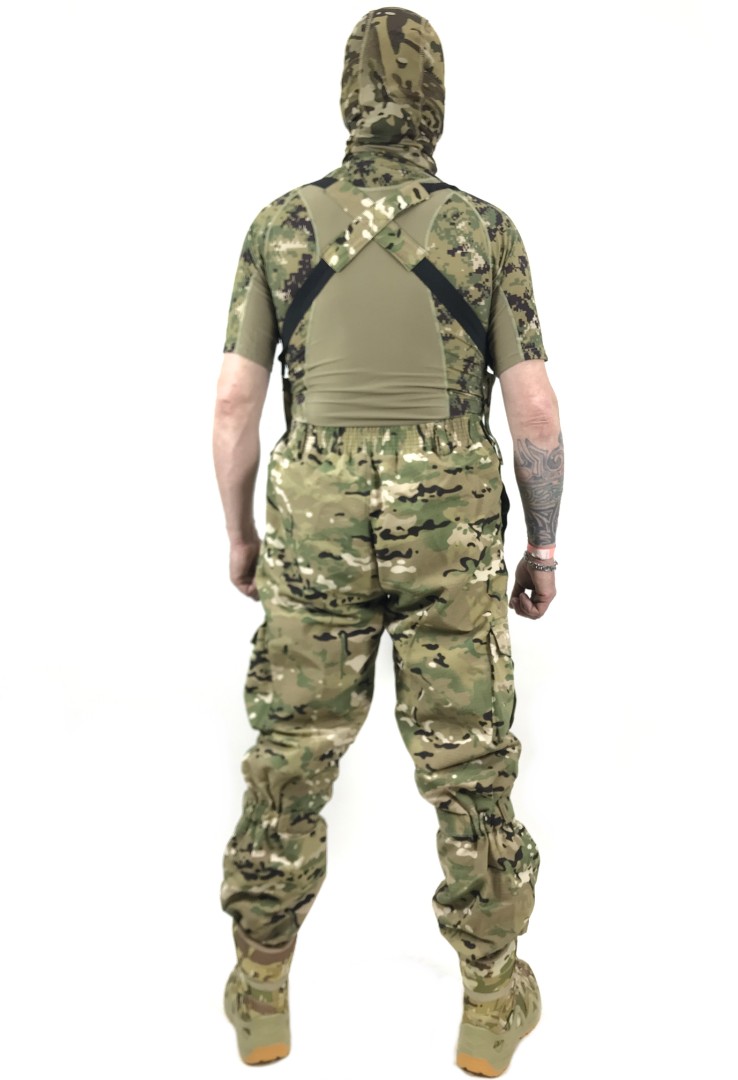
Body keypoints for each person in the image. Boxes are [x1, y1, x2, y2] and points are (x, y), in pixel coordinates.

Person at [212, 7, 564, 1075]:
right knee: (469, 764)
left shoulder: (279, 226)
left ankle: (260, 993)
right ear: (435, 101)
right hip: (449, 524)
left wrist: (241, 536)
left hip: (312, 516)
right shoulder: (487, 231)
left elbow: (232, 408)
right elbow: (536, 417)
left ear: (346, 99)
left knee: (291, 754)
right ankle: (491, 1004)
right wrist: (542, 549)